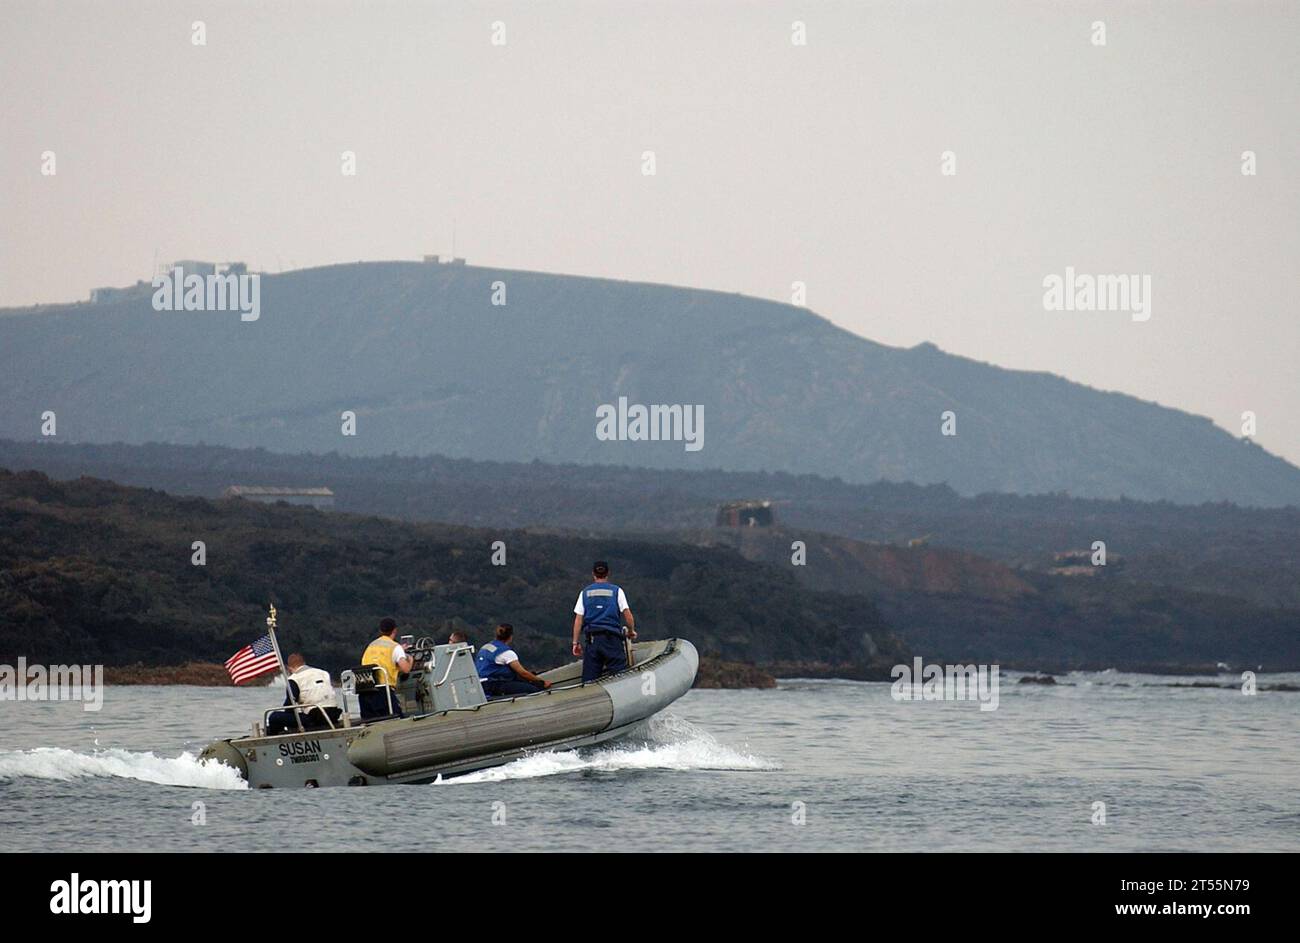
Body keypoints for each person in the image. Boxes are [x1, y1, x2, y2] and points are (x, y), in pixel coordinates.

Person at [572, 561, 636, 683]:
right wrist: (631, 631)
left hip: (593, 641)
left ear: (593, 574)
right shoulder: (617, 591)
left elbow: (578, 620)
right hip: (612, 639)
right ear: (608, 573)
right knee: (620, 677)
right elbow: (627, 615)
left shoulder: (584, 593)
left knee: (589, 681)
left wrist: (575, 643)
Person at [267, 653, 341, 734]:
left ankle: (277, 738)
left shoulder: (294, 678)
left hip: (314, 718)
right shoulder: (324, 673)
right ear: (304, 663)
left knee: (274, 716)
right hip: (333, 714)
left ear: (289, 668)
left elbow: (289, 705)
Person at [474, 623, 552, 699]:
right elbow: (522, 673)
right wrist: (542, 681)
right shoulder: (506, 652)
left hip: (481, 685)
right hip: (494, 684)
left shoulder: (485, 647)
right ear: (510, 637)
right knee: (534, 690)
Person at [359, 617, 412, 719]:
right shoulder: (395, 647)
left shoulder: (371, 646)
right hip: (383, 693)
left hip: (365, 693)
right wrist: (410, 659)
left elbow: (382, 663)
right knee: (398, 720)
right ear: (395, 630)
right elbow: (406, 669)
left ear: (381, 631)